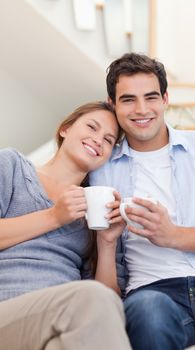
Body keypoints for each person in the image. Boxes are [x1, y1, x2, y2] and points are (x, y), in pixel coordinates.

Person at [89, 53, 195, 350]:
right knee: (149, 312)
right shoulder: (101, 167)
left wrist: (173, 235)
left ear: (165, 98)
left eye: (151, 97)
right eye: (128, 100)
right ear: (112, 104)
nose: (141, 110)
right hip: (154, 295)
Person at [0, 101, 132, 350]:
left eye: (108, 140)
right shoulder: (12, 166)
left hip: (64, 321)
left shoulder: (99, 211)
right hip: (8, 307)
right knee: (89, 298)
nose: (97, 140)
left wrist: (107, 242)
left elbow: (108, 305)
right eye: (91, 127)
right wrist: (54, 216)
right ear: (66, 129)